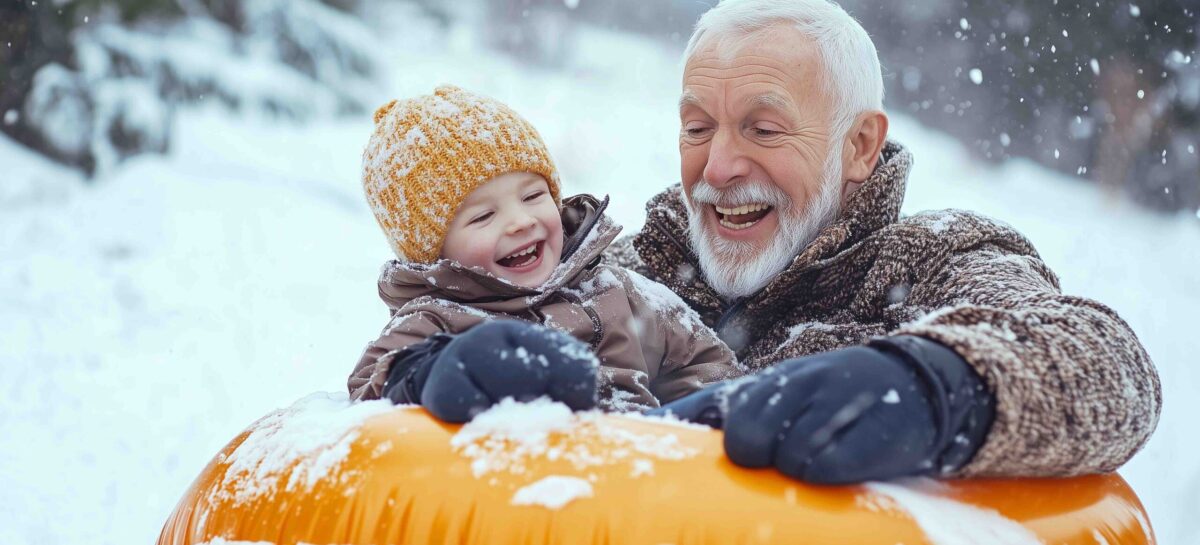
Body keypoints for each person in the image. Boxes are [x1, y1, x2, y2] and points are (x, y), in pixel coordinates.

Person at [604, 0, 1161, 484]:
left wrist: (931, 386)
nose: (719, 167)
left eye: (765, 129)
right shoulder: (625, 274)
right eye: (698, 128)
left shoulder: (930, 261)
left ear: (860, 145)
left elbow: (1111, 368)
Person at [347, 85, 740, 421]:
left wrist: (684, 421)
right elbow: (370, 388)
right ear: (434, 252)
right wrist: (429, 371)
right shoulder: (435, 321)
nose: (520, 221)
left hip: (639, 483)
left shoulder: (617, 290)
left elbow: (708, 362)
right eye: (483, 216)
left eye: (534, 196)